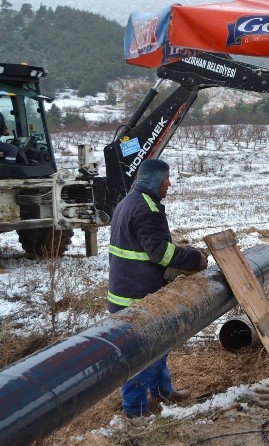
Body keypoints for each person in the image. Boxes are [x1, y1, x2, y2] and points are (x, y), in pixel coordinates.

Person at [108, 158, 208, 417]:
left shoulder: (128, 202)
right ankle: (135, 410)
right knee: (140, 354)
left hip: (128, 290)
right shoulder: (146, 209)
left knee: (159, 346)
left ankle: (164, 392)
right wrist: (194, 258)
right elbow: (160, 253)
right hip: (136, 297)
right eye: (166, 179)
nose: (169, 184)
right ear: (155, 180)